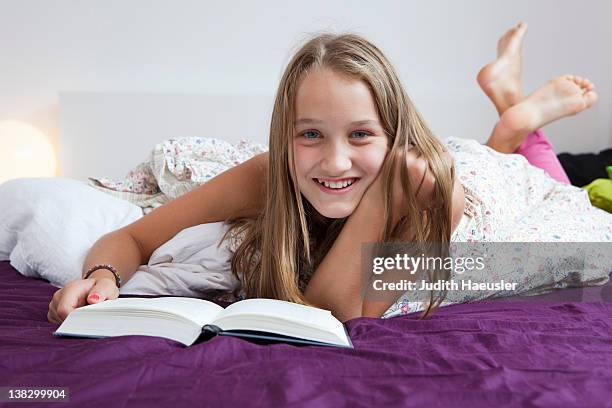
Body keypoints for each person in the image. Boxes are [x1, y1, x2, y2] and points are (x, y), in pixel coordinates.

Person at [48, 22, 602, 324]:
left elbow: (337, 314)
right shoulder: (268, 173)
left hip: (487, 194)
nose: (334, 161)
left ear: (393, 135)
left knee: (564, 193)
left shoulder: (428, 189)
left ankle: (518, 123)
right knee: (492, 154)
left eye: (360, 133)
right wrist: (103, 276)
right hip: (415, 167)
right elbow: (134, 236)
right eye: (310, 134)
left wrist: (388, 194)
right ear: (283, 137)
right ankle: (510, 115)